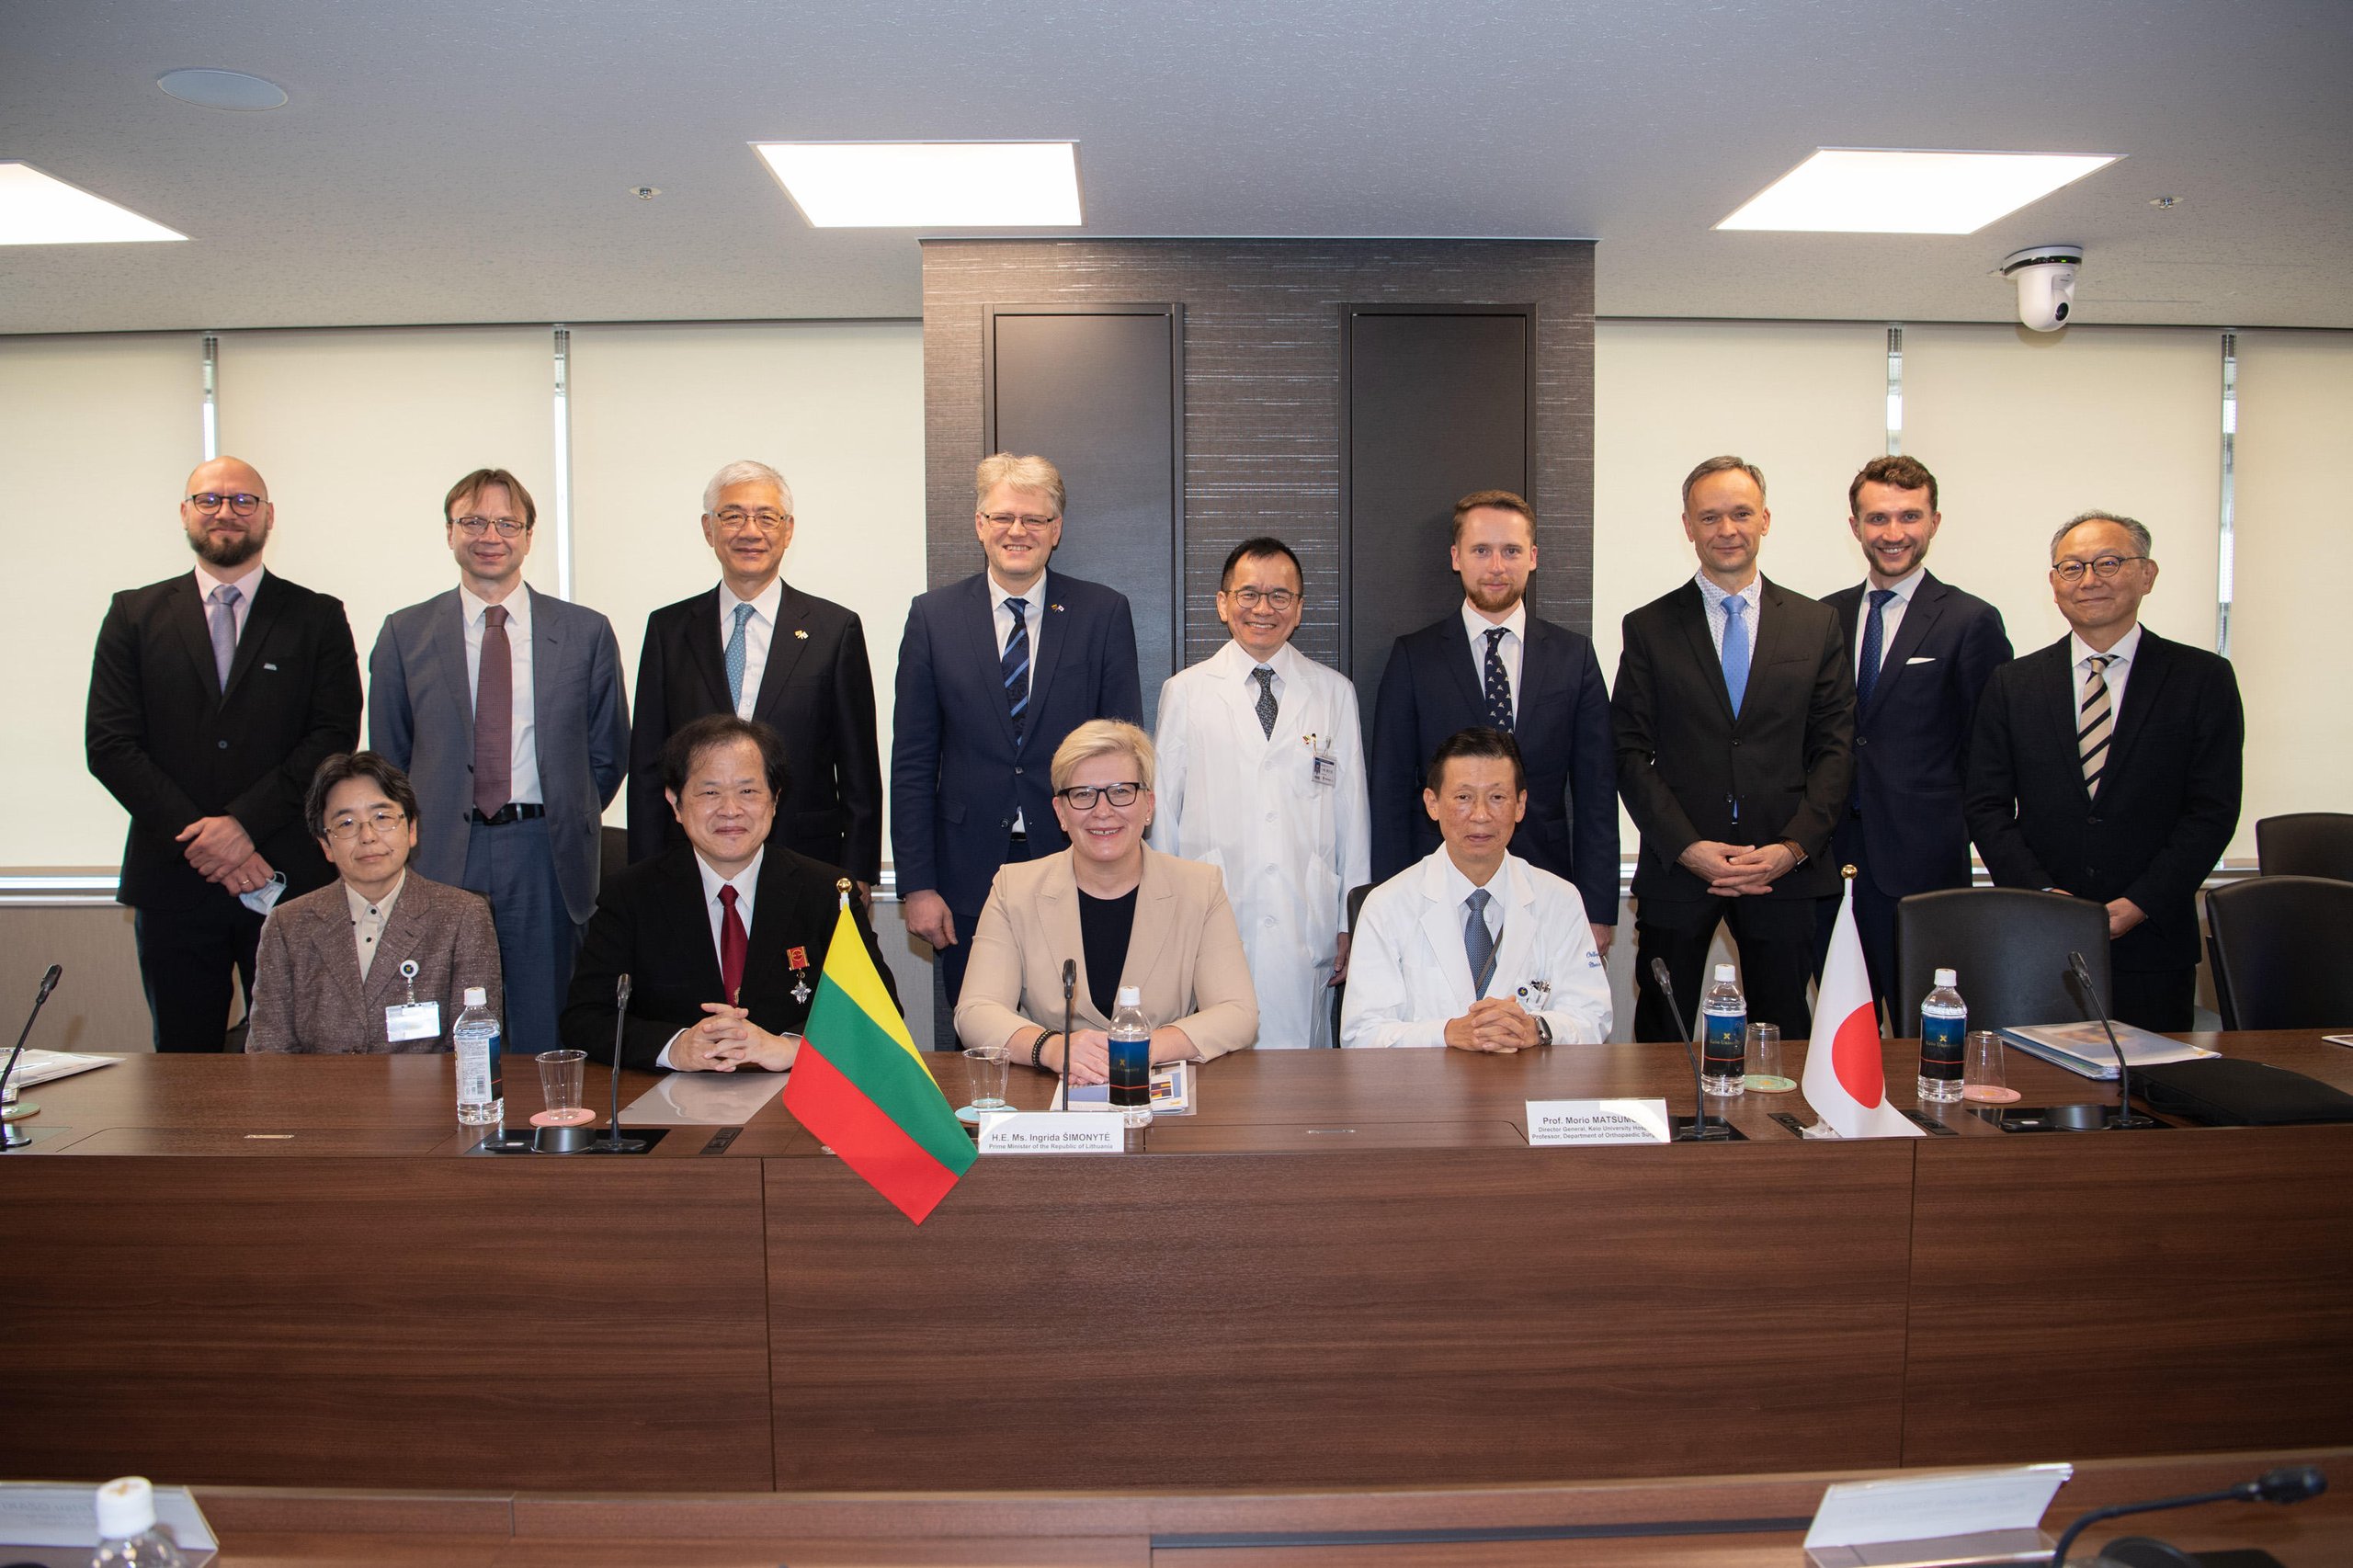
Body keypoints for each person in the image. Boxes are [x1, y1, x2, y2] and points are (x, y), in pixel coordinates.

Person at [85, 456, 364, 1051]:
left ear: (269, 515)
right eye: (209, 500)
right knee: (184, 1070)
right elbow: (110, 744)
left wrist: (243, 827)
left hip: (286, 879)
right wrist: (207, 841)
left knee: (303, 1061)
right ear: (185, 512)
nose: (226, 512)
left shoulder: (317, 616)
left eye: (243, 500)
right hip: (173, 882)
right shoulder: (133, 615)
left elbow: (332, 737)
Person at [368, 467, 629, 1055]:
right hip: (439, 852)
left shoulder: (585, 632)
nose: (491, 535)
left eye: (507, 523)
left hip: (544, 853)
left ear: (529, 536)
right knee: (440, 1021)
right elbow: (389, 761)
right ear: (449, 531)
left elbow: (607, 753)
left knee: (544, 1025)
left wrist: (565, 812)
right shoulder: (405, 633)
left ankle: (544, 1117)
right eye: (474, 521)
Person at [1965, 512, 2243, 1032]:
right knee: (2039, 1080)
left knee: (2154, 1080)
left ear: (2147, 574)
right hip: (2038, 941)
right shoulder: (2013, 684)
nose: (2089, 580)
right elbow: (1985, 805)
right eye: (2072, 568)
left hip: (2153, 943)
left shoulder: (2202, 678)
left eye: (2109, 563)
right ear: (2054, 585)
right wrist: (2042, 897)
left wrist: (2140, 902)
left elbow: (2212, 811)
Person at [1613, 455, 1853, 1042]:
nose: (1727, 530)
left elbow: (1835, 749)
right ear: (1688, 526)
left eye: (1741, 514)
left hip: (1784, 872)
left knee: (1783, 1037)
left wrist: (1793, 848)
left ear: (1765, 519)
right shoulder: (1648, 627)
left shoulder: (1816, 624)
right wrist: (1687, 847)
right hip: (1680, 870)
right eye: (1710, 517)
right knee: (1664, 1034)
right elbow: (1627, 751)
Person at [892, 453, 1142, 1010]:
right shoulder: (933, 617)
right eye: (1003, 517)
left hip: (1078, 860)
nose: (1017, 531)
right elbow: (912, 762)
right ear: (980, 524)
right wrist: (918, 884)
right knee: (980, 1025)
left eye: (1034, 519)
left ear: (1056, 530)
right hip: (966, 873)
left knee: (1079, 1023)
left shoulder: (1102, 612)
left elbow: (1124, 753)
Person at [562, 715, 899, 1073]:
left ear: (775, 800)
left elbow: (880, 1010)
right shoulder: (630, 895)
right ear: (675, 802)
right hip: (670, 1093)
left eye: (748, 791)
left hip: (792, 1089)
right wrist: (675, 1047)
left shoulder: (827, 892)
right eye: (710, 792)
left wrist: (790, 1047)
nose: (730, 810)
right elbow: (584, 1018)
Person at [1370, 489, 1619, 956]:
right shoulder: (1414, 658)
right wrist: (1387, 903)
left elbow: (1597, 793)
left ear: (1533, 557)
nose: (1497, 566)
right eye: (1481, 550)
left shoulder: (1574, 657)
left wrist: (1598, 909)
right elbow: (1389, 792)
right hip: (1432, 891)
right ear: (1456, 557)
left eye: (1512, 551)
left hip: (1547, 888)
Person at [1153, 538, 1369, 1049]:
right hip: (1212, 905)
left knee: (1299, 1067)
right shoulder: (1185, 692)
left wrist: (1350, 918)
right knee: (1216, 1051)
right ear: (1222, 603)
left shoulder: (1333, 693)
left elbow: (1352, 813)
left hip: (1304, 914)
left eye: (1279, 596)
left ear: (1299, 608)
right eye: (1248, 594)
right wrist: (1163, 914)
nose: (1263, 609)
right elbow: (1163, 813)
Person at [956, 721, 1256, 1084]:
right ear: (1061, 812)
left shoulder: (1200, 888)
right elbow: (975, 1011)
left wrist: (1143, 1048)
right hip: (1051, 1093)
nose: (1102, 810)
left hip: (1158, 1087)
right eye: (1083, 794)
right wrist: (1053, 1049)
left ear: (1149, 805)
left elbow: (1237, 1012)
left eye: (1121, 791)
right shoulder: (1013, 888)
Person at [1819, 455, 2012, 1019]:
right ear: (1855, 526)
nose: (1893, 533)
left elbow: (1988, 754)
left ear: (1934, 522)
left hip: (1923, 869)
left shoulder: (1970, 620)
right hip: (1829, 865)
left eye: (1909, 516)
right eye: (1878, 518)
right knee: (1838, 1031)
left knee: (1922, 1033)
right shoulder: (1823, 617)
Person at [628, 460, 881, 888]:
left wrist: (857, 873)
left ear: (788, 530)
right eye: (733, 516)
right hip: (689, 863)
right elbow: (648, 767)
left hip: (807, 860)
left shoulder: (835, 629)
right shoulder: (668, 630)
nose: (750, 531)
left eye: (766, 517)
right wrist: (644, 876)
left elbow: (859, 768)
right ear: (709, 529)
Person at [1343, 729, 1612, 1051]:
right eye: (1463, 797)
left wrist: (1536, 1029)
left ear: (1520, 805)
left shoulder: (1560, 900)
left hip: (1528, 1080)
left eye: (1497, 797)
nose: (1481, 815)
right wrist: (1447, 1033)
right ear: (1432, 803)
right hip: (1427, 1082)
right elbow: (1361, 1034)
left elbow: (1593, 1016)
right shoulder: (1386, 905)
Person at [245, 753, 502, 1053]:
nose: (367, 836)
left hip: (426, 1086)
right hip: (320, 1086)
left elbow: (475, 1052)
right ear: (326, 845)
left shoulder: (462, 916)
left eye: (382, 818)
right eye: (346, 823)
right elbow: (269, 1053)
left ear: (411, 829)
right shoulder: (287, 925)